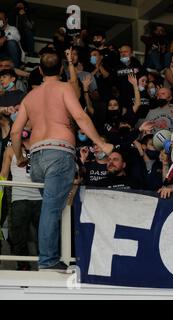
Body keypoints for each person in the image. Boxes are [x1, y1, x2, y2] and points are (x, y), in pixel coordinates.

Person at [10, 51, 113, 271]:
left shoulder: (29, 97)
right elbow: (80, 117)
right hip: (58, 153)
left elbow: (15, 132)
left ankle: (52, 257)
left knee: (51, 208)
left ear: (39, 70)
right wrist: (101, 144)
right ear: (61, 70)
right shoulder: (65, 88)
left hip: (35, 159)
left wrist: (19, 156)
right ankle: (48, 261)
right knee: (51, 210)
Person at [0, 127, 41, 271]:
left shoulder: (40, 147)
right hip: (19, 197)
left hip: (40, 197)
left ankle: (46, 265)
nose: (24, 130)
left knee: (43, 234)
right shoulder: (10, 150)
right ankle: (23, 266)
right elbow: (3, 175)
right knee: (19, 235)